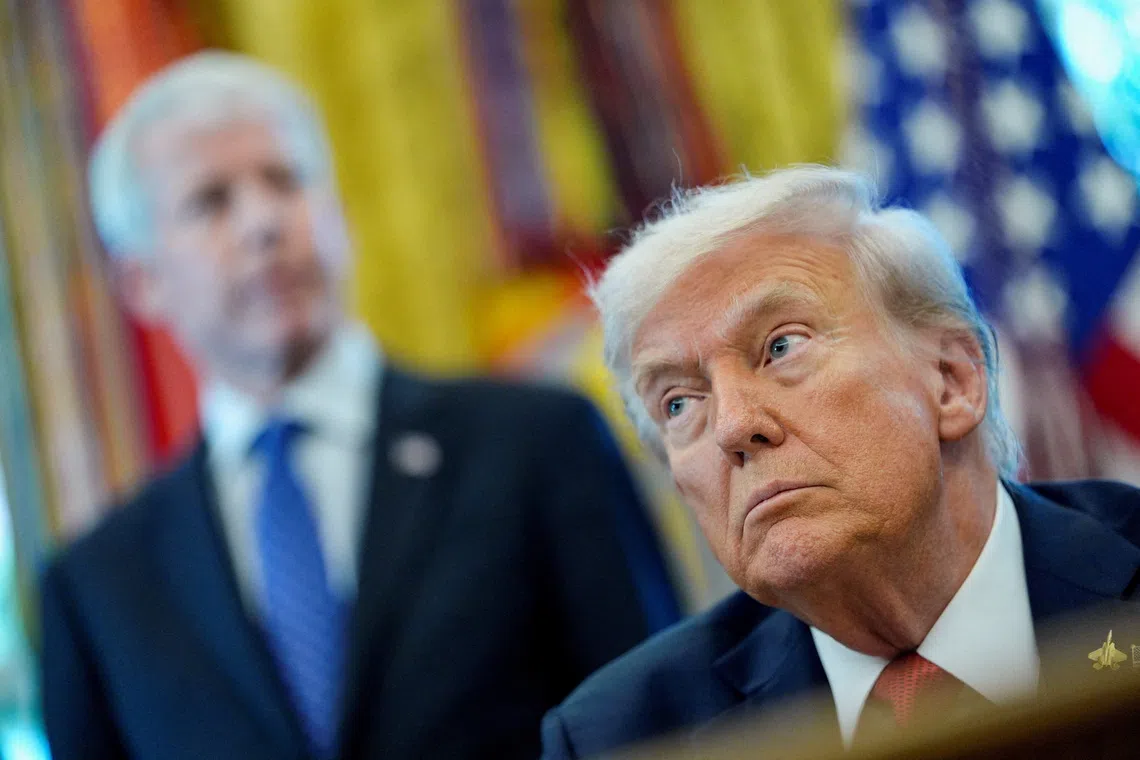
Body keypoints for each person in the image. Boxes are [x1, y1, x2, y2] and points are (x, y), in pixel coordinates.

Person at [40, 51, 681, 760]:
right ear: (141, 281)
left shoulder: (535, 443)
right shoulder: (96, 588)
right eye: (211, 200)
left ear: (337, 211)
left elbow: (660, 724)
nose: (264, 222)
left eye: (286, 180)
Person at [539, 166, 1140, 758]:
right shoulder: (622, 739)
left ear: (952, 381)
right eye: (678, 402)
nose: (732, 427)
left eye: (781, 347)